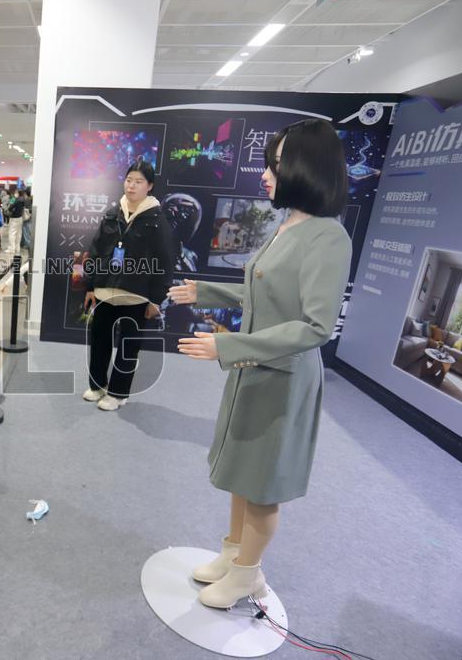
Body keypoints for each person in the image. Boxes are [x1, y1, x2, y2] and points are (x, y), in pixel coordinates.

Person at [169, 119, 352, 609]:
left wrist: (227, 347)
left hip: (282, 376)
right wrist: (206, 291)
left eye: (275, 166)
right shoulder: (288, 223)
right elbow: (263, 291)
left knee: (263, 482)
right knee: (240, 468)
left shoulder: (327, 237)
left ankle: (247, 573)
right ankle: (233, 554)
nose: (265, 175)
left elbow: (315, 326)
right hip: (255, 366)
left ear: (303, 168)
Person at [82, 161, 176, 411]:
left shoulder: (157, 220)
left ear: (150, 186)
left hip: (136, 297)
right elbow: (95, 250)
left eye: (138, 181)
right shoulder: (112, 213)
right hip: (104, 292)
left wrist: (156, 299)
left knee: (128, 347)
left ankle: (118, 393)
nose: (131, 185)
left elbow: (166, 262)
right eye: (128, 180)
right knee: (99, 341)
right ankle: (97, 385)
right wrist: (90, 286)